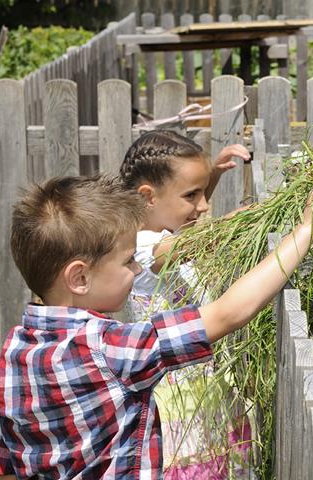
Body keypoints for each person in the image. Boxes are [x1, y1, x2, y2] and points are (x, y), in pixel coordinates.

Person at [0, 174, 313, 479]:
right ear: (79, 277)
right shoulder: (110, 349)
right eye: (128, 261)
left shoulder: (4, 365)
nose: (137, 270)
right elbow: (227, 313)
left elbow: (5, 468)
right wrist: (306, 231)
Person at [120, 130, 251, 478]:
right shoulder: (139, 247)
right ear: (147, 197)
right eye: (192, 195)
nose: (204, 206)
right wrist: (237, 223)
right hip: (175, 398)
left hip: (202, 383)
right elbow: (185, 246)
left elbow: (183, 225)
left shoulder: (164, 227)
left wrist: (212, 177)